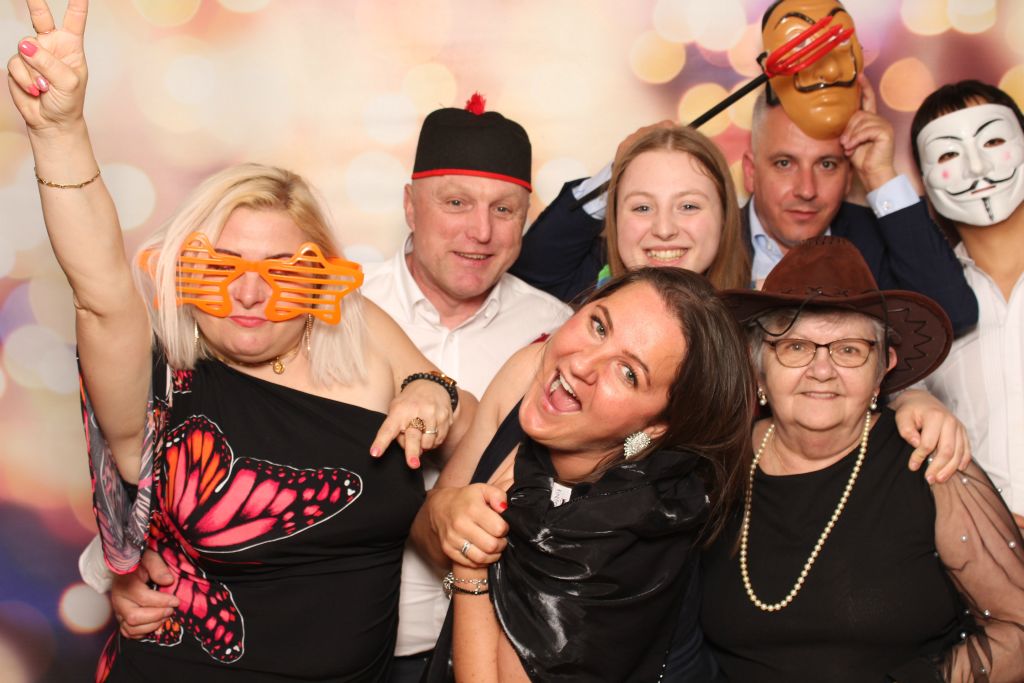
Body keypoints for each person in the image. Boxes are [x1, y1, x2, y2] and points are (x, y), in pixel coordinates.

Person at [7, 2, 474, 680]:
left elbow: (467, 417)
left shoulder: (358, 329)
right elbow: (99, 290)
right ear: (182, 269)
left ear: (320, 280)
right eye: (219, 268)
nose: (249, 293)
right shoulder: (155, 384)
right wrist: (59, 131)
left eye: (283, 273)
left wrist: (432, 390)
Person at [92, 96, 572, 681]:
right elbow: (177, 442)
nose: (480, 230)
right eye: (455, 203)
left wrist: (436, 392)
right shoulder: (323, 303)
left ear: (526, 217)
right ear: (410, 205)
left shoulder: (561, 335)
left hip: (486, 643)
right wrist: (119, 571)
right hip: (358, 652)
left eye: (504, 209)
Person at [701, 236, 1024, 682]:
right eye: (795, 347)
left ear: (882, 369)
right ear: (758, 365)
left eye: (849, 349)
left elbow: (1018, 628)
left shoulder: (932, 465)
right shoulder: (716, 466)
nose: (821, 370)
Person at [422, 267, 756, 681]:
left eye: (628, 373)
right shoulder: (532, 376)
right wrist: (446, 508)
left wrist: (470, 568)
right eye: (599, 326)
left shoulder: (635, 525)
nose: (582, 364)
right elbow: (426, 530)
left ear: (654, 427)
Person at [911, 81, 1024, 531]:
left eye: (992, 141)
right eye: (948, 154)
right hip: (982, 554)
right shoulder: (928, 308)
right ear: (923, 180)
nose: (976, 167)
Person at [510, 123, 750, 302]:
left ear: (725, 216)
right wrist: (617, 172)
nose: (664, 229)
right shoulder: (586, 288)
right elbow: (528, 273)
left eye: (688, 206)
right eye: (642, 207)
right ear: (614, 218)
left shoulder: (761, 325)